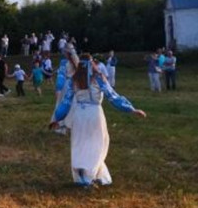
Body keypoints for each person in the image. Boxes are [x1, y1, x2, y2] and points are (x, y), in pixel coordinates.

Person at [49, 53, 146, 186]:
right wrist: (131, 109)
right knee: (97, 144)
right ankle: (89, 175)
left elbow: (65, 103)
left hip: (80, 116)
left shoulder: (74, 80)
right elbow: (113, 96)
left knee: (80, 144)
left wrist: (57, 118)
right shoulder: (98, 78)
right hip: (95, 115)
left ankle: (84, 174)